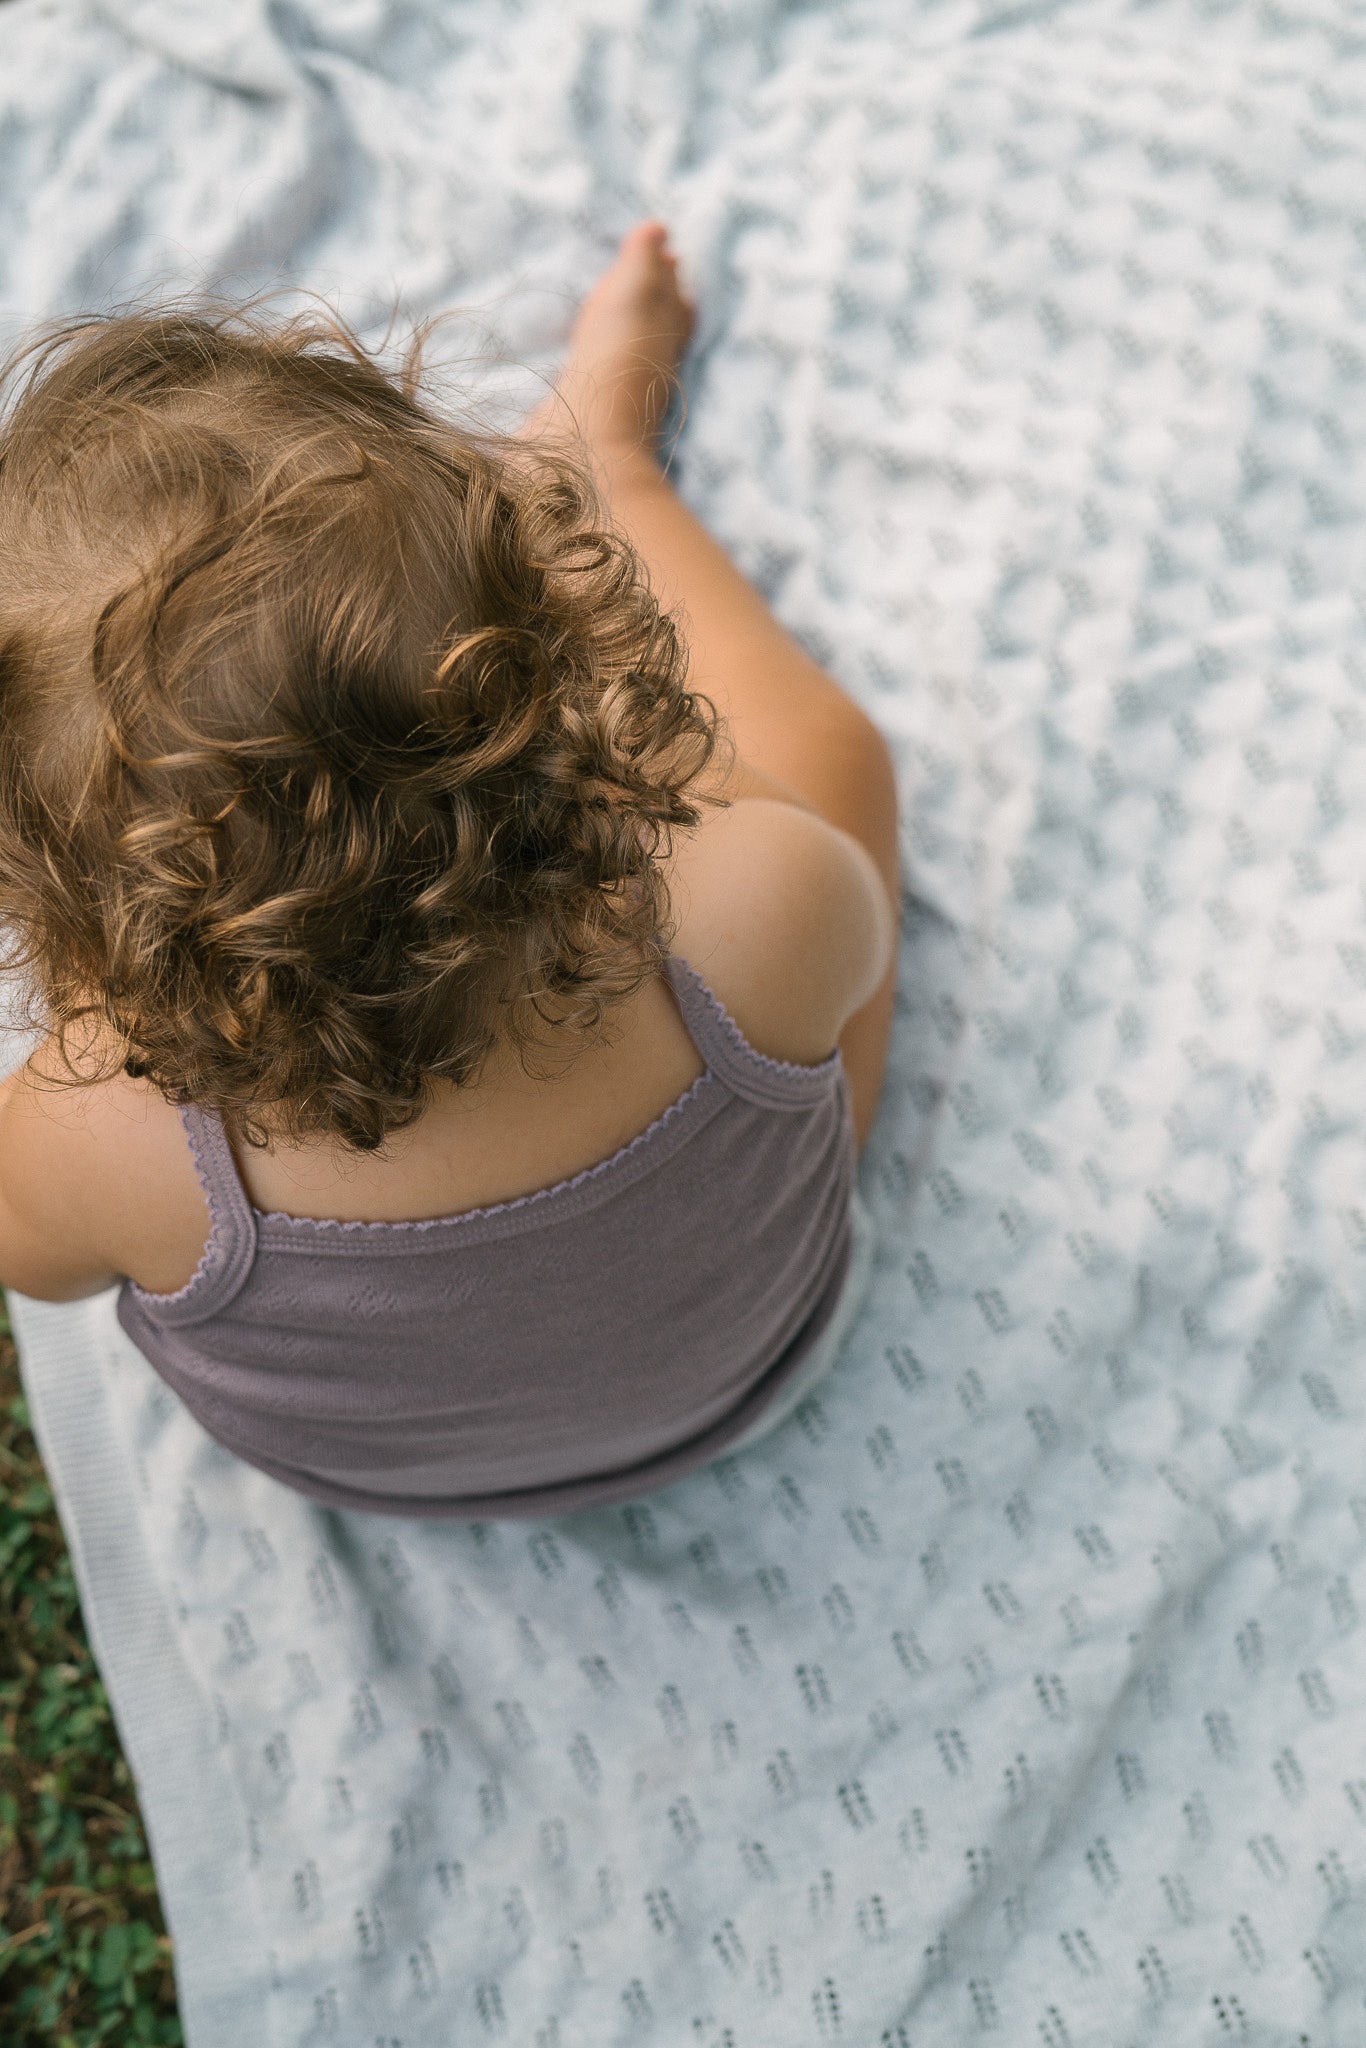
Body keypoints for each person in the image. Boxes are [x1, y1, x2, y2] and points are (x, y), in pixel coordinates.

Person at [0, 221, 898, 1517]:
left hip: (388, 1479)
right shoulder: (761, 907)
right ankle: (602, 467)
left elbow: (35, 1265)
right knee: (834, 765)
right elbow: (797, 888)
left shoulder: (96, 1137)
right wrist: (649, 765)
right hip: (759, 1356)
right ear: (549, 631)